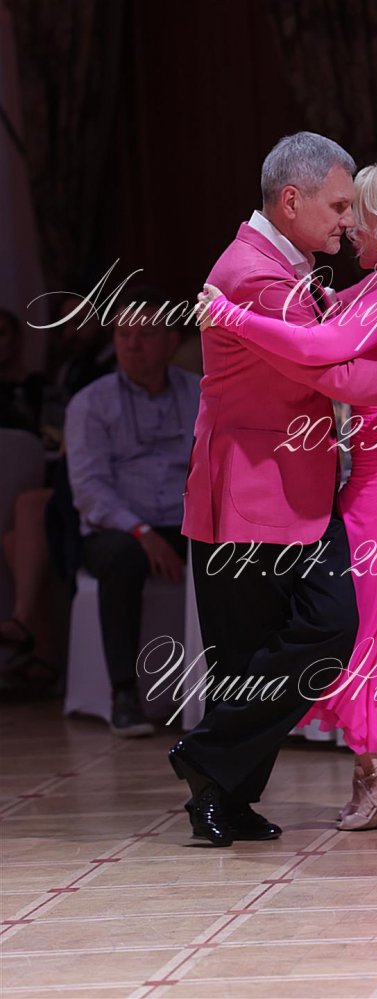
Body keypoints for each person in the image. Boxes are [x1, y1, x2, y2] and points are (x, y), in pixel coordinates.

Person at [168, 132, 377, 848]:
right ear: (291, 200)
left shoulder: (286, 263)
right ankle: (219, 790)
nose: (346, 220)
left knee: (318, 631)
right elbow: (328, 370)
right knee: (259, 649)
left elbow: (342, 322)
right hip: (250, 490)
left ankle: (215, 770)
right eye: (338, 206)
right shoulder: (251, 274)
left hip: (296, 486)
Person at [65, 288, 200, 736]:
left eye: (145, 334)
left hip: (184, 520)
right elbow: (89, 490)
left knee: (240, 552)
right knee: (123, 558)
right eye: (123, 334)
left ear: (171, 341)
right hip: (119, 528)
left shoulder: (199, 393)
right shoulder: (91, 402)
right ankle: (124, 693)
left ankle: (229, 691)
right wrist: (142, 532)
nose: (132, 344)